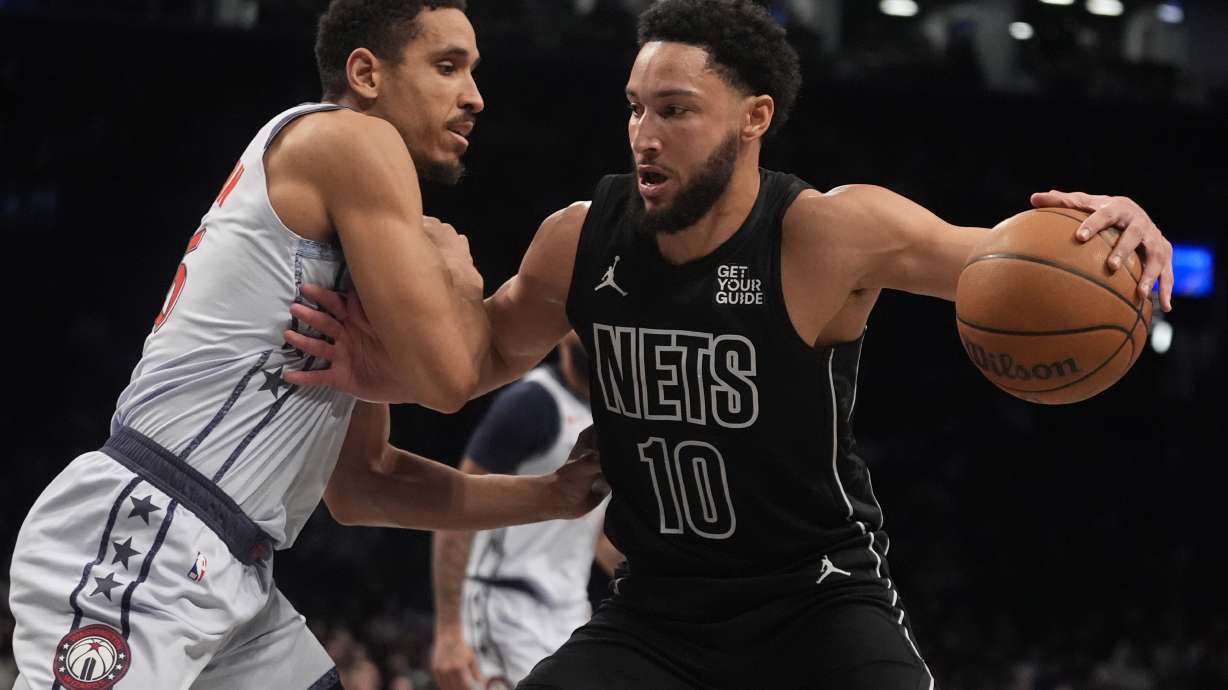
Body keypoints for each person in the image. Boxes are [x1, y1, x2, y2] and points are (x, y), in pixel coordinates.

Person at [291, 1, 1175, 688]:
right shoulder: (578, 240)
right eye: (636, 108)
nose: (644, 133)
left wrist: (1118, 233)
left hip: (818, 599)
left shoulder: (829, 233)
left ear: (754, 118)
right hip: (658, 610)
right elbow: (469, 364)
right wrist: (379, 367)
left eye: (675, 110)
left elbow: (1000, 256)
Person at [6, 2, 605, 689]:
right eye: (448, 67)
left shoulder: (346, 252)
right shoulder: (352, 141)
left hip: (227, 565)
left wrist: (551, 496)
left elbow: (365, 484)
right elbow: (449, 378)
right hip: (148, 534)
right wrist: (456, 274)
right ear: (366, 73)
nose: (474, 97)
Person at [431, 332, 624, 690]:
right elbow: (455, 509)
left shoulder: (617, 417)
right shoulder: (531, 402)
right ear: (561, 333)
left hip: (570, 610)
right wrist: (448, 630)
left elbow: (597, 540)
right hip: (503, 603)